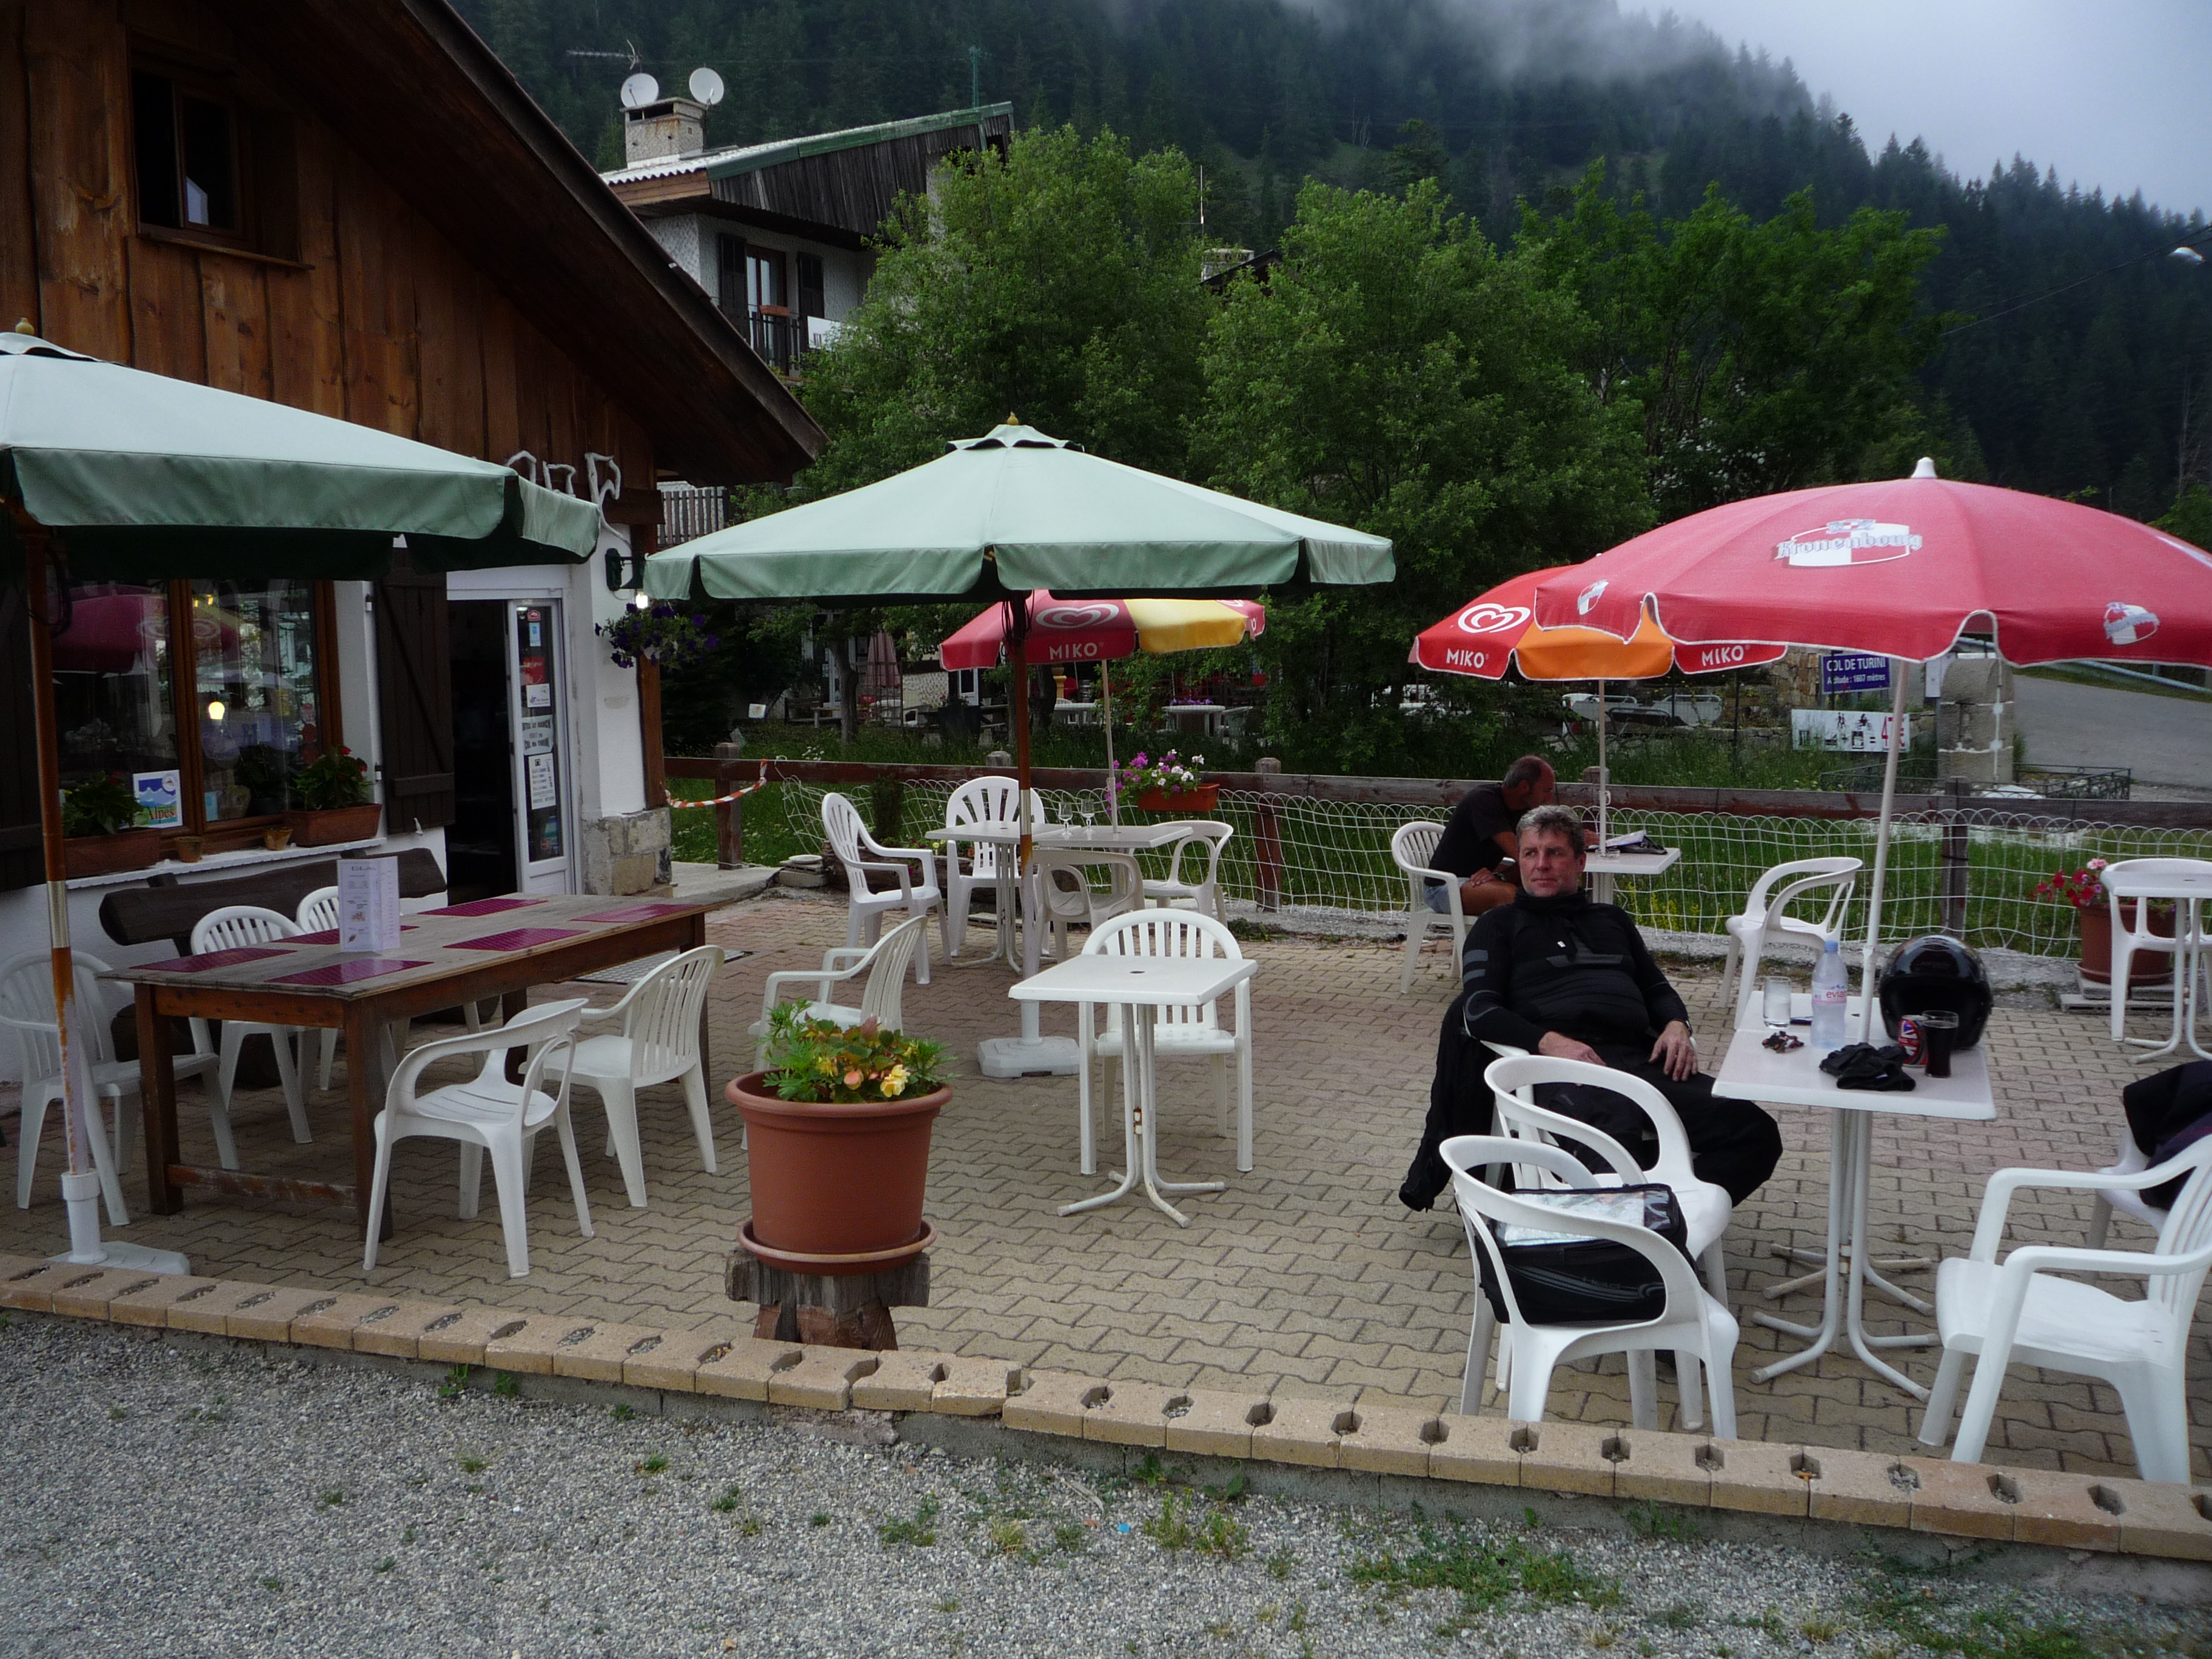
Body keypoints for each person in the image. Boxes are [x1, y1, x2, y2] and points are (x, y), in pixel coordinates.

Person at [1400, 802, 1782, 1211]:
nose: (1541, 864)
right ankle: (1625, 1238)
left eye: (1555, 853)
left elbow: (1656, 987)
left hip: (1641, 1060)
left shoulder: (1611, 920)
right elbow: (1478, 1011)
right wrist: (1550, 1043)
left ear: (1580, 862)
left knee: (1755, 1132)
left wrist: (1676, 1025)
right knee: (1616, 1144)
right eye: (1531, 853)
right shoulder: (1499, 926)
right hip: (1562, 1071)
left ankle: (1673, 1220)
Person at [1426, 756, 1555, 919]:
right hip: (1444, 887)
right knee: (1511, 895)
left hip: (1480, 881)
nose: (1550, 798)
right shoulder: (1484, 800)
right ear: (1524, 787)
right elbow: (1520, 852)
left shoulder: (1523, 808)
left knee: (1545, 884)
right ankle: (1519, 942)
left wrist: (1572, 839)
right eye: (1546, 791)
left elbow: (1533, 850)